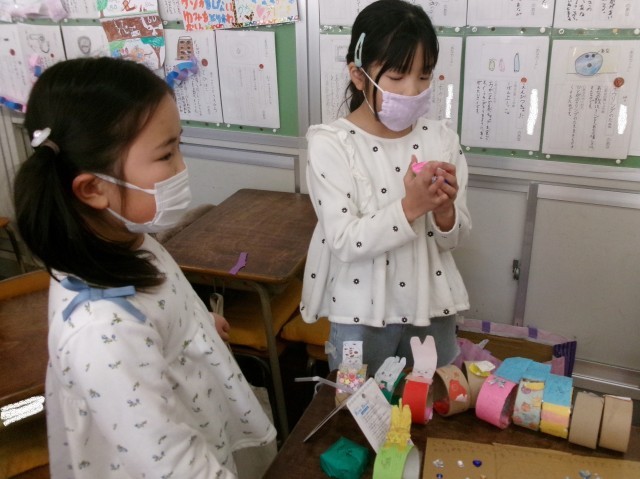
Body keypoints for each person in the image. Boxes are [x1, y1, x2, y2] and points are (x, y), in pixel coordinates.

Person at [13, 57, 275, 479]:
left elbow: (160, 304)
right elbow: (175, 467)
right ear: (93, 188)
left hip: (202, 415)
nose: (182, 167)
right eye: (167, 154)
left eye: (179, 146)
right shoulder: (99, 330)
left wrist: (196, 325)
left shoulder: (130, 238)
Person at [300, 0, 471, 375]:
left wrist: (445, 211)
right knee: (355, 403)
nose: (412, 90)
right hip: (359, 315)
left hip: (431, 309)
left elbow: (454, 240)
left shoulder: (442, 140)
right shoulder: (331, 144)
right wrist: (411, 206)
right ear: (359, 75)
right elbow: (344, 241)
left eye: (424, 76)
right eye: (397, 76)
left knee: (433, 399)